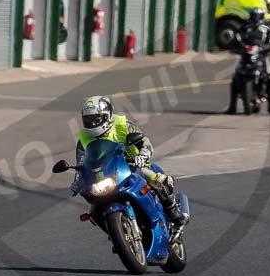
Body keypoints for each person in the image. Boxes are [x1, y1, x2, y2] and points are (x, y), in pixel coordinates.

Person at [71, 96, 186, 226]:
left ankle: (172, 209)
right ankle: (112, 229)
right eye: (88, 119)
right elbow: (80, 163)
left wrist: (143, 155)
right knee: (92, 206)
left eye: (96, 119)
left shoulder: (123, 125)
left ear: (107, 115)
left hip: (133, 166)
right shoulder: (83, 139)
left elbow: (145, 142)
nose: (92, 123)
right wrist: (77, 181)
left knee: (158, 180)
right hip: (105, 174)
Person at [225, 7, 270, 114]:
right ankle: (232, 106)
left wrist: (262, 48)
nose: (256, 18)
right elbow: (238, 38)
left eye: (257, 16)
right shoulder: (245, 27)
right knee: (235, 78)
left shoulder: (267, 28)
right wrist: (243, 47)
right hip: (246, 55)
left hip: (262, 55)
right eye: (254, 15)